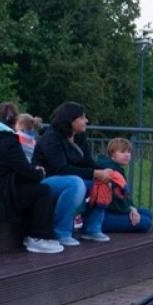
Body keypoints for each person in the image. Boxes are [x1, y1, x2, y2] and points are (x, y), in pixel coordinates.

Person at [0, 102, 63, 254]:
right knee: (42, 191)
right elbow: (25, 171)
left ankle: (30, 235)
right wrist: (39, 172)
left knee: (27, 190)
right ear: (14, 121)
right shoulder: (9, 141)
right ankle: (38, 237)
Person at [33, 102, 117, 246]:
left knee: (103, 182)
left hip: (71, 179)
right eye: (82, 118)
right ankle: (60, 232)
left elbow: (88, 162)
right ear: (70, 119)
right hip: (46, 181)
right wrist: (95, 173)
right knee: (75, 183)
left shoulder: (79, 137)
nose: (86, 121)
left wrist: (105, 173)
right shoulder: (51, 138)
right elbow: (61, 169)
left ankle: (91, 229)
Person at [90, 138, 153, 234]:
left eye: (129, 152)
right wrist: (130, 210)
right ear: (112, 154)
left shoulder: (114, 167)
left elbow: (123, 198)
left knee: (146, 213)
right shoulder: (112, 170)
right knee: (145, 223)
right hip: (103, 215)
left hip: (112, 211)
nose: (127, 155)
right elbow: (116, 200)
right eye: (122, 152)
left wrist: (132, 209)